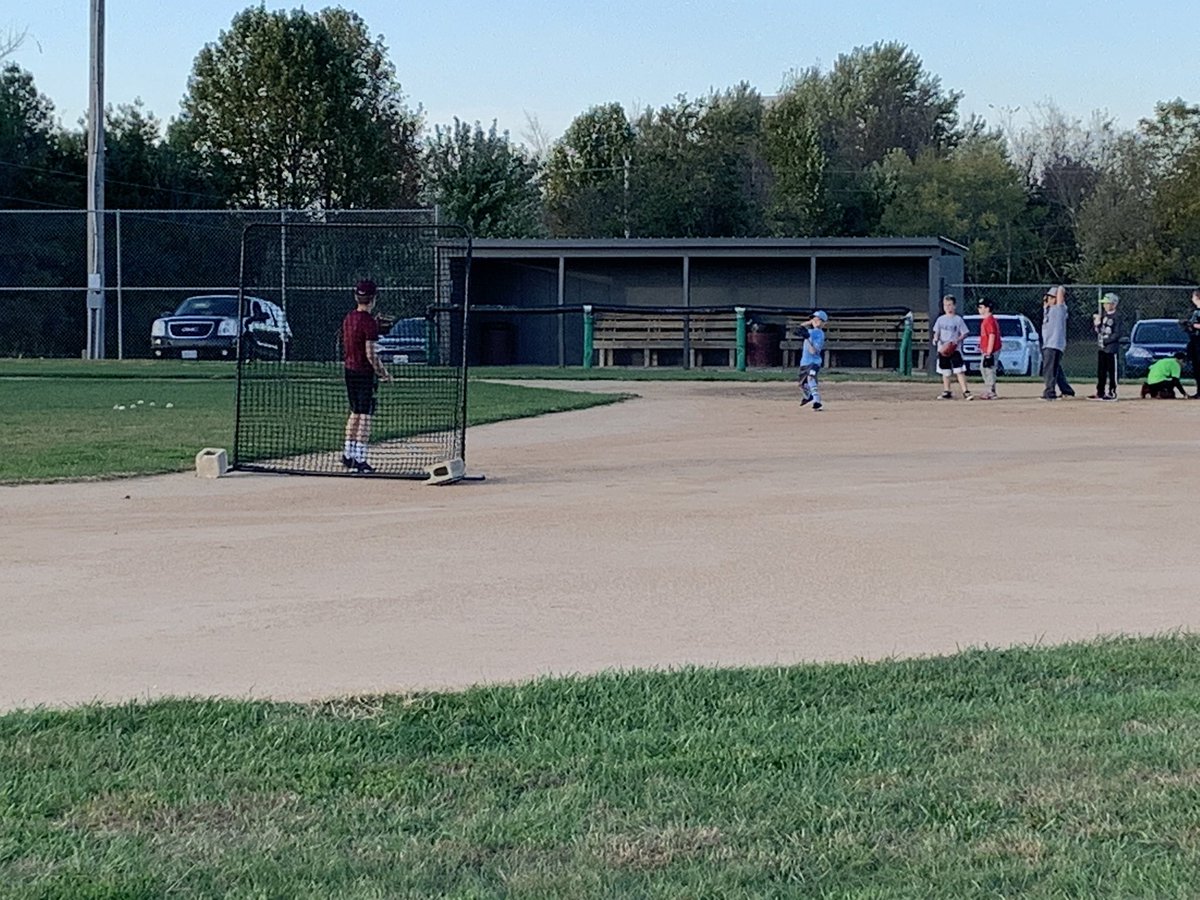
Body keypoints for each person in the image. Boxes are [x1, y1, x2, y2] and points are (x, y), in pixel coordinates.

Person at [341, 278, 392, 473]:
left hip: (349, 369)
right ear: (373, 299)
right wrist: (384, 373)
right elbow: (370, 353)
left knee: (354, 412)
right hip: (364, 372)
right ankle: (360, 459)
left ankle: (348, 454)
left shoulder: (349, 317)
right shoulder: (368, 322)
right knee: (365, 415)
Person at [932, 294, 971, 400]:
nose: (948, 308)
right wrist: (935, 338)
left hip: (955, 349)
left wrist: (956, 341)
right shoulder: (940, 319)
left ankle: (965, 391)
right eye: (945, 305)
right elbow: (936, 332)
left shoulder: (958, 320)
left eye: (950, 305)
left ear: (954, 306)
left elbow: (965, 333)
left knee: (959, 370)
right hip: (943, 349)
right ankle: (947, 391)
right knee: (945, 371)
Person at [1040, 285, 1075, 400]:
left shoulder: (1059, 309)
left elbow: (1060, 292)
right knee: (1055, 368)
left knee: (1049, 369)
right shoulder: (1049, 310)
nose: (1049, 299)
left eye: (1052, 297)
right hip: (1048, 343)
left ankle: (1050, 392)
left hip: (1053, 344)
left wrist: (1059, 288)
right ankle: (1067, 390)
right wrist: (1046, 304)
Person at [1090, 292, 1122, 401]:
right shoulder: (1103, 315)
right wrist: (1096, 324)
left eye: (1107, 303)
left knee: (1112, 371)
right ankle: (1100, 391)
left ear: (1113, 304)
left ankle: (1112, 392)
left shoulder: (1117, 317)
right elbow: (1099, 331)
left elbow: (1117, 334)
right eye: (1104, 304)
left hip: (1111, 349)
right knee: (1101, 371)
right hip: (1102, 349)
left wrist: (1106, 340)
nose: (1105, 306)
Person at [795, 310, 828, 411]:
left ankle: (817, 402)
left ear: (823, 322)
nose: (814, 321)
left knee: (811, 378)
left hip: (814, 362)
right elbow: (798, 329)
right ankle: (808, 397)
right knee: (802, 385)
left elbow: (813, 351)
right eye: (813, 319)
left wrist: (808, 338)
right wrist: (808, 323)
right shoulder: (810, 331)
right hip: (804, 362)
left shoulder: (819, 334)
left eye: (818, 319)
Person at [976, 298, 1001, 400]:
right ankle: (990, 389)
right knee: (984, 368)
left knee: (989, 369)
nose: (979, 309)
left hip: (991, 350)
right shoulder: (987, 320)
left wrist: (989, 352)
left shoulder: (989, 321)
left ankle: (991, 391)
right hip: (987, 350)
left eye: (981, 307)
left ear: (987, 308)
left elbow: (992, 336)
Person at [1183, 287, 1200, 398]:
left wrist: (1192, 325)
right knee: (1196, 368)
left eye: (1194, 296)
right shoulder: (1196, 312)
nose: (1192, 298)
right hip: (1195, 341)